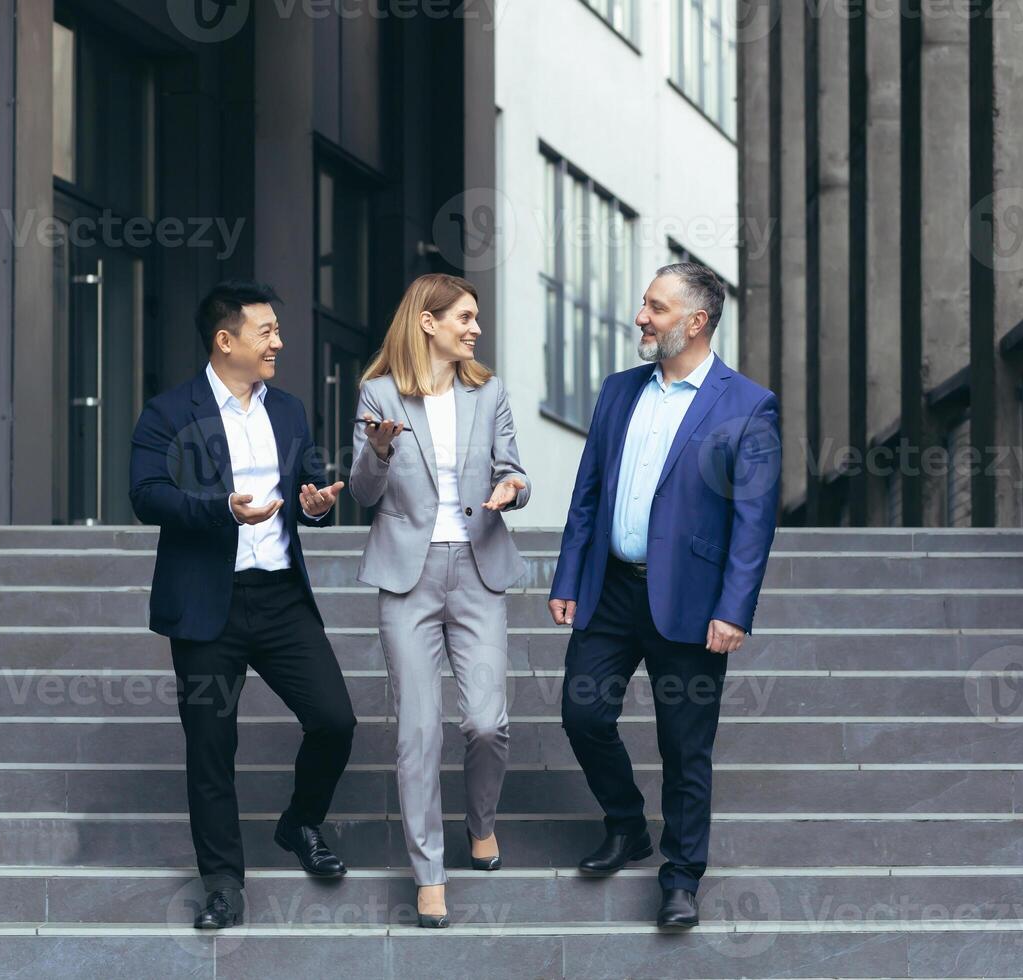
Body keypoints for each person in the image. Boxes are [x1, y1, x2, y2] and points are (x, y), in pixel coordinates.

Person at [548, 262, 781, 929]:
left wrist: (734, 609)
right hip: (612, 590)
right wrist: (568, 576)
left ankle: (680, 878)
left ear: (695, 321)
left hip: (693, 600)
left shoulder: (747, 404)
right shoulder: (620, 391)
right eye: (645, 304)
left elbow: (753, 521)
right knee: (582, 715)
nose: (641, 317)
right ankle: (626, 824)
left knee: (684, 748)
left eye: (655, 307)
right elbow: (589, 487)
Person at [129, 280, 357, 930]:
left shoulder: (286, 409)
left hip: (281, 599)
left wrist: (316, 502)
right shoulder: (168, 413)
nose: (279, 342)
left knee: (335, 721)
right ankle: (223, 882)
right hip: (206, 605)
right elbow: (144, 494)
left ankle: (300, 823)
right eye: (267, 332)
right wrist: (218, 510)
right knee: (210, 745)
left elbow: (310, 477)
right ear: (225, 340)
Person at [349, 273, 530, 928]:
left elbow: (516, 468)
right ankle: (429, 873)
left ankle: (481, 823)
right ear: (427, 322)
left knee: (487, 721)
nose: (475, 328)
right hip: (408, 575)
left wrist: (513, 487)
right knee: (418, 731)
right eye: (464, 317)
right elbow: (364, 492)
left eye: (476, 318)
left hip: (479, 567)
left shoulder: (490, 391)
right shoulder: (377, 392)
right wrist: (377, 448)